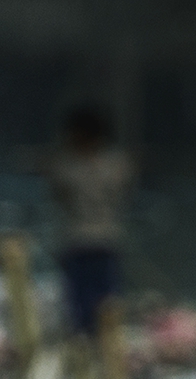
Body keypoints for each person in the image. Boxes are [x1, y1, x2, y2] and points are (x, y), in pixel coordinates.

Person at [47, 102, 133, 337]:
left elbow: (60, 195)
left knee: (88, 303)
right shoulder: (118, 163)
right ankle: (95, 344)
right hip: (99, 240)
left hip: (86, 240)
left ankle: (91, 343)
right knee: (100, 302)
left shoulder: (68, 166)